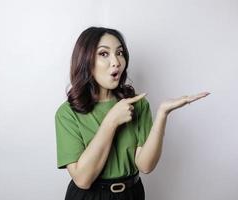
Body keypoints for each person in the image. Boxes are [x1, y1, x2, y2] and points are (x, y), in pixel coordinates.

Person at [54, 26, 210, 200]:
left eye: (119, 53)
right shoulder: (67, 113)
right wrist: (111, 121)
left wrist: (162, 114)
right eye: (104, 54)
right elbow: (83, 180)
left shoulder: (138, 104)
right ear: (86, 61)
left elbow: (145, 165)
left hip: (131, 194)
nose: (116, 62)